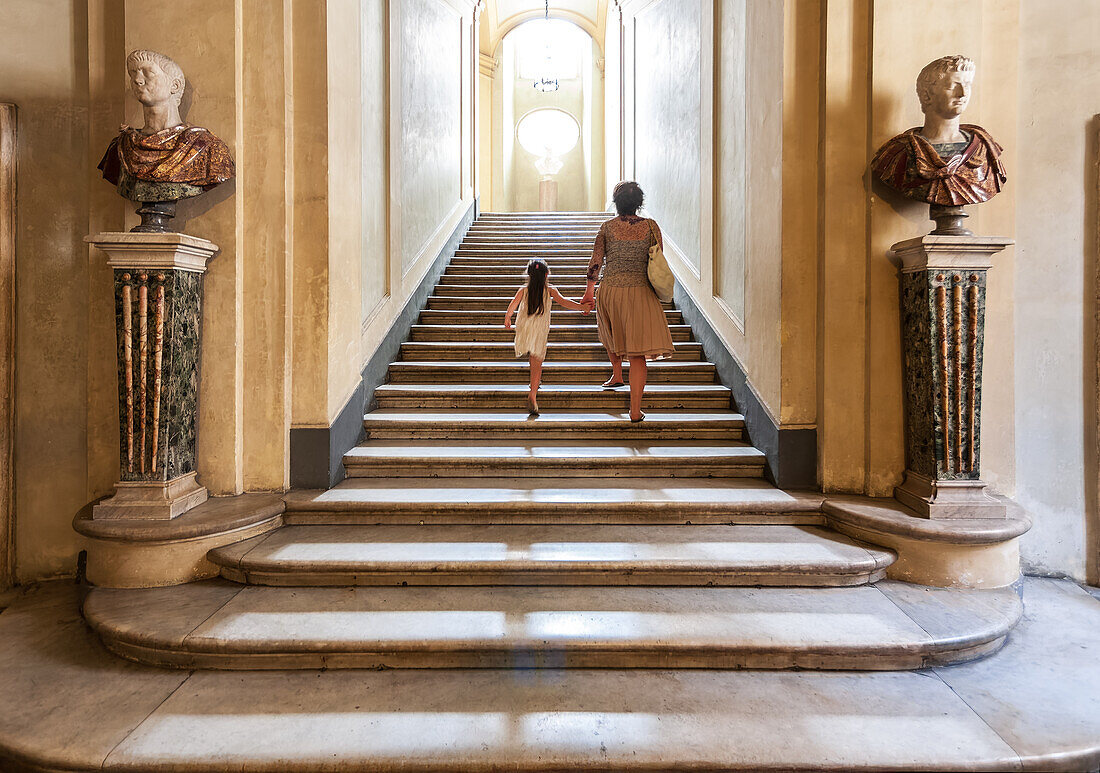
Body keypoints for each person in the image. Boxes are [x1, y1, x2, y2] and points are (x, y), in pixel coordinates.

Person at [580, 181, 676, 423]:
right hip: (640, 291)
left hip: (611, 290)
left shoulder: (606, 228)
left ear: (616, 203)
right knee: (637, 354)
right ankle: (634, 409)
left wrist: (589, 292)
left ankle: (616, 373)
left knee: (611, 334)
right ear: (639, 203)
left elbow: (595, 262)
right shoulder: (651, 227)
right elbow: (657, 259)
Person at [870, 55, 1005, 206]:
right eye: (952, 86)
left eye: (967, 85)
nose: (963, 93)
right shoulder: (899, 153)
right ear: (926, 95)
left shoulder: (983, 149)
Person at [505, 259, 592, 416]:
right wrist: (581, 307)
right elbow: (564, 302)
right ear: (546, 275)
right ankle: (533, 393)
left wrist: (508, 317)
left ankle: (535, 385)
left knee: (532, 358)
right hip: (539, 330)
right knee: (537, 361)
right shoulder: (550, 290)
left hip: (525, 328)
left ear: (529, 275)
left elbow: (512, 305)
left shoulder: (523, 290)